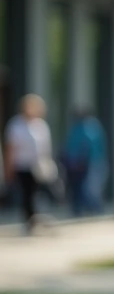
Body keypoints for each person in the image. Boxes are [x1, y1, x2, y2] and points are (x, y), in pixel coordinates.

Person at [4, 94, 54, 233]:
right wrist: (8, 167)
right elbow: (10, 148)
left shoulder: (40, 125)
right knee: (27, 193)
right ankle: (30, 220)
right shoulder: (15, 125)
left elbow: (46, 147)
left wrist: (47, 163)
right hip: (22, 165)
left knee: (37, 193)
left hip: (38, 165)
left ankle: (35, 218)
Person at [62, 105, 107, 215]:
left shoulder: (91, 126)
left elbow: (89, 146)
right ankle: (79, 208)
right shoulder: (76, 127)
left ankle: (94, 208)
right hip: (75, 163)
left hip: (90, 162)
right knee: (77, 187)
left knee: (91, 187)